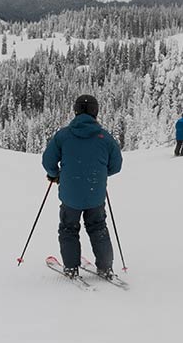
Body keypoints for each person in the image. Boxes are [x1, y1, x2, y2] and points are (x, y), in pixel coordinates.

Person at [42, 94, 123, 279]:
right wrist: (100, 174)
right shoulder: (105, 137)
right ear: (96, 111)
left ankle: (71, 267)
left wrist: (54, 174)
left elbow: (48, 161)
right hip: (96, 194)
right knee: (98, 228)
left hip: (70, 195)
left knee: (68, 229)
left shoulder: (63, 135)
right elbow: (116, 166)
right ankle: (105, 267)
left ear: (76, 110)